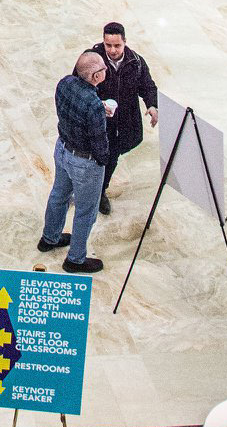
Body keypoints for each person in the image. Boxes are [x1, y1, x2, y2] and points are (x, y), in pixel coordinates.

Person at [37, 52, 109, 273]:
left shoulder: (64, 83)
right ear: (96, 76)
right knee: (86, 211)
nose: (106, 70)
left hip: (62, 149)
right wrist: (104, 160)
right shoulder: (94, 106)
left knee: (59, 195)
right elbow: (99, 142)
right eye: (103, 68)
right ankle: (75, 259)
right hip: (84, 163)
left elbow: (74, 107)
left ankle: (49, 238)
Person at [91, 21, 158, 214]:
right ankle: (95, 189)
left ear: (125, 42)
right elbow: (80, 85)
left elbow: (148, 86)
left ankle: (100, 186)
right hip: (100, 120)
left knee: (117, 151)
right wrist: (97, 104)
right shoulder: (93, 60)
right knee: (105, 155)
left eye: (117, 45)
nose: (112, 50)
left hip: (125, 118)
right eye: (108, 45)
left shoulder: (135, 62)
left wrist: (152, 105)